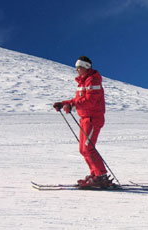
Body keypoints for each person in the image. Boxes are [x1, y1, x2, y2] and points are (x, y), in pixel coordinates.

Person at [53, 56, 111, 188]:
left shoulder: (93, 80)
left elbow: (91, 100)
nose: (77, 70)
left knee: (88, 148)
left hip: (92, 118)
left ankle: (101, 176)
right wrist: (63, 104)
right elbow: (77, 100)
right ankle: (95, 174)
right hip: (85, 118)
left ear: (86, 67)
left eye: (79, 67)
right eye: (76, 67)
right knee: (83, 149)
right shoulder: (82, 82)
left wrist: (72, 106)